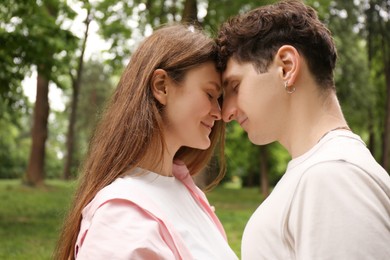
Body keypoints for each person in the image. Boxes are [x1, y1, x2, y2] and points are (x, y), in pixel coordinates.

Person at [216, 0, 390, 259]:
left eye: (235, 86)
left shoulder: (333, 177)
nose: (226, 112)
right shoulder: (321, 171)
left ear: (286, 67)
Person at [54, 24, 238, 260]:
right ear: (162, 86)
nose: (219, 112)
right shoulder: (120, 218)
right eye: (210, 95)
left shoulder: (184, 191)